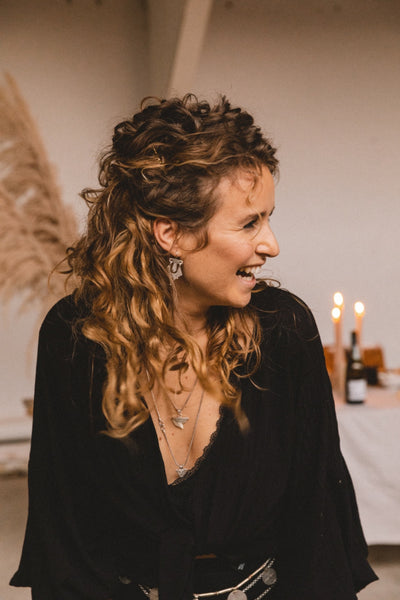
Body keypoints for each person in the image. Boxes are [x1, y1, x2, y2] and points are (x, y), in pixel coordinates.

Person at [11, 95, 377, 600]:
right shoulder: (76, 336)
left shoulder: (284, 331)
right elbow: (63, 537)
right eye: (249, 223)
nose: (271, 245)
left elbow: (318, 528)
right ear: (172, 234)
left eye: (268, 218)